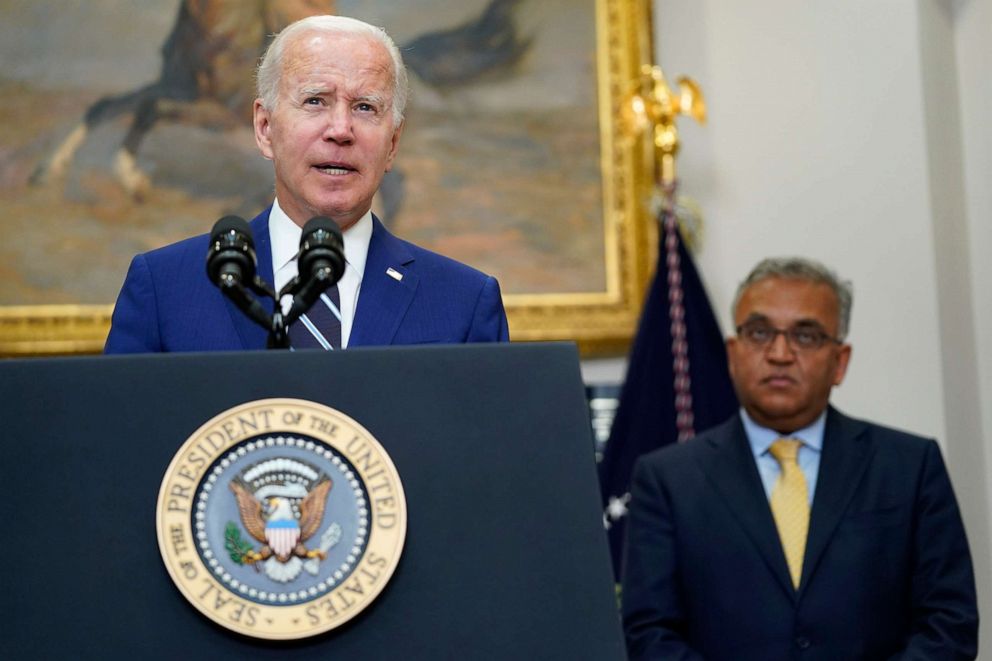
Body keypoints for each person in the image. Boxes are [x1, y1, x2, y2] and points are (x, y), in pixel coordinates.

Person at [621, 257, 978, 660]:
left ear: (840, 362)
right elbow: (650, 633)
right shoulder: (667, 479)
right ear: (733, 354)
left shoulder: (910, 468)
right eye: (759, 333)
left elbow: (949, 623)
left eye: (805, 337)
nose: (779, 353)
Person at [105, 15, 508, 353]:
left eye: (365, 107)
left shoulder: (464, 303)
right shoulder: (165, 289)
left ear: (393, 145)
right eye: (315, 101)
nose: (341, 130)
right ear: (264, 128)